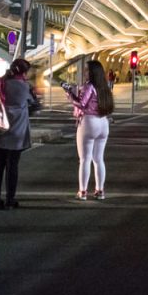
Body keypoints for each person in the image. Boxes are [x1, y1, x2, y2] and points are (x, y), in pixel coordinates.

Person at [0, 59, 34, 210]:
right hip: (16, 132)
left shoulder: (1, 83)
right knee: (12, 166)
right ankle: (10, 199)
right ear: (24, 72)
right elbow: (32, 102)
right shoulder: (24, 86)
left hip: (0, 129)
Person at [64, 60, 114, 201]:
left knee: (85, 159)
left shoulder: (89, 86)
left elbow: (82, 104)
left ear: (92, 73)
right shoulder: (105, 87)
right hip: (103, 123)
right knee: (99, 159)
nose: (84, 72)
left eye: (86, 70)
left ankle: (83, 191)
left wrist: (70, 97)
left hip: (89, 122)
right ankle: (100, 191)